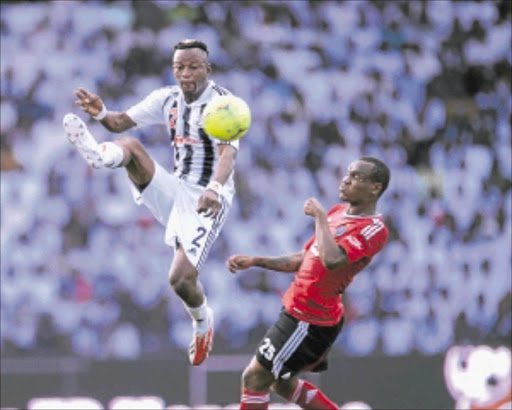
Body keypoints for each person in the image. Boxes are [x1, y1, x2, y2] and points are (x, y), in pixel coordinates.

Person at [63, 39, 240, 366]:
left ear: (208, 69)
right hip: (175, 188)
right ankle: (100, 157)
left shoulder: (224, 105)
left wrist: (215, 188)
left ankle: (202, 320)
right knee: (129, 145)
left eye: (193, 67)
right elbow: (118, 122)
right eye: (179, 67)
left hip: (206, 198)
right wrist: (100, 111)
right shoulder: (166, 99)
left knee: (180, 279)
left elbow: (227, 154)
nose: (186, 73)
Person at [227, 157, 391, 409]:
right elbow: (306, 257)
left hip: (310, 319)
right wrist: (256, 260)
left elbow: (332, 260)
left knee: (255, 377)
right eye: (347, 173)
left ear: (375, 188)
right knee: (282, 382)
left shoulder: (373, 229)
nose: (346, 179)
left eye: (356, 177)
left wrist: (320, 218)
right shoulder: (338, 213)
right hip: (297, 312)